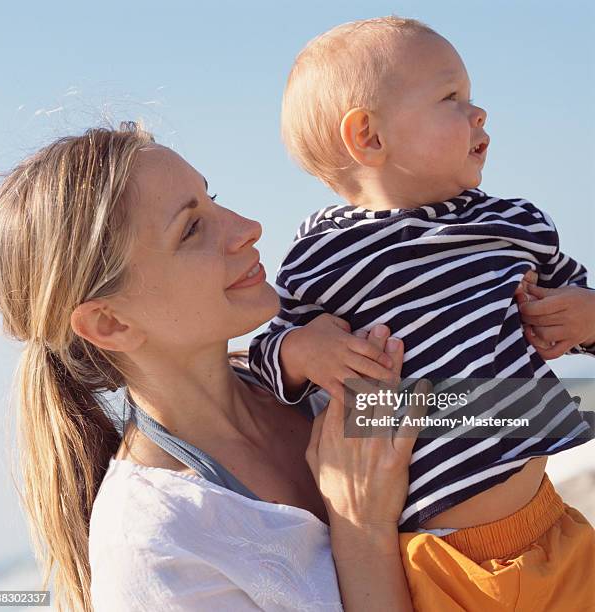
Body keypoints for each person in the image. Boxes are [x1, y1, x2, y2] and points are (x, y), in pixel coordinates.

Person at [0, 123, 427, 611]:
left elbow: (509, 417)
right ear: (109, 323)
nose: (247, 228)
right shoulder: (155, 546)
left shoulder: (313, 367)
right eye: (192, 228)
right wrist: (361, 528)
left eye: (212, 197)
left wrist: (525, 361)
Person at [248, 15, 595, 610]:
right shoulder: (324, 255)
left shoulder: (511, 223)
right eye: (451, 98)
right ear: (369, 138)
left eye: (471, 96)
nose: (478, 112)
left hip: (549, 524)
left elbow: (579, 304)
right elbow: (267, 352)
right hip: (433, 554)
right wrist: (303, 351)